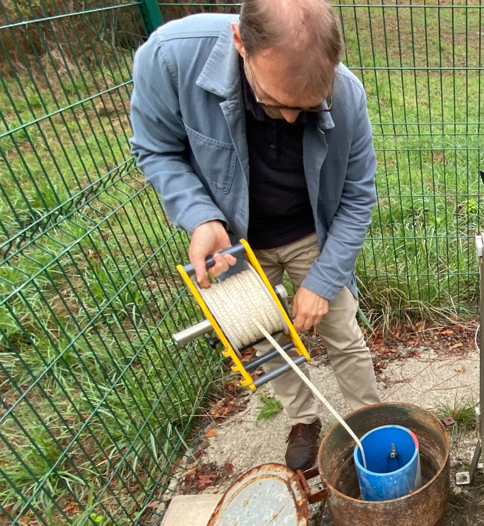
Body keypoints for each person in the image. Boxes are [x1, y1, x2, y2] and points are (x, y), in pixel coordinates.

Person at [129, 0, 381, 470]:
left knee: (342, 331)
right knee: (268, 339)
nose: (289, 119)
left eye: (306, 108)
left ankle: (368, 418)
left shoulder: (347, 95)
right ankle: (303, 419)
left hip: (313, 231)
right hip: (236, 242)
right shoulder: (169, 59)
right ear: (240, 43)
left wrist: (323, 282)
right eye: (274, 102)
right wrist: (202, 217)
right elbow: (157, 149)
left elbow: (358, 198)